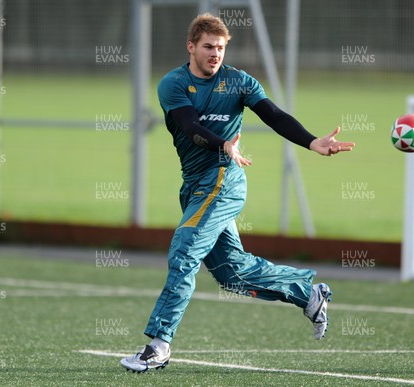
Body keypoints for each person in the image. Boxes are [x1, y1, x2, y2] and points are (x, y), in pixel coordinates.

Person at [120, 13, 355, 373]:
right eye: (209, 47)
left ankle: (158, 345)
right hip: (196, 185)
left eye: (221, 48)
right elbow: (190, 126)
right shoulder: (174, 84)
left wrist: (312, 142)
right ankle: (306, 292)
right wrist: (223, 144)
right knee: (233, 273)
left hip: (223, 181)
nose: (215, 54)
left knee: (184, 252)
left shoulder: (239, 82)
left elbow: (274, 115)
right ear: (191, 47)